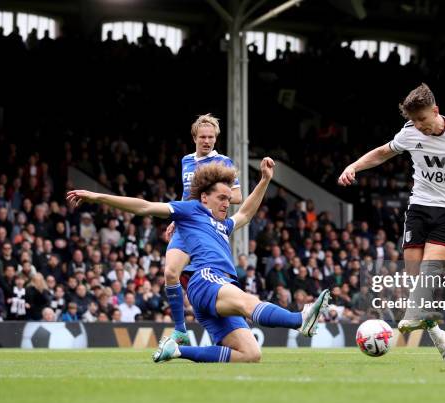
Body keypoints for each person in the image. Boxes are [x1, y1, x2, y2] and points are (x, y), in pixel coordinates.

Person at [67, 158, 330, 364]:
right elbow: (144, 206)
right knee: (247, 301)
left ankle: (177, 351)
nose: (227, 203)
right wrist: (97, 196)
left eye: (229, 199)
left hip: (213, 293)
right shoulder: (191, 210)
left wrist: (264, 180)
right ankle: (300, 319)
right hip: (206, 279)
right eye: (221, 198)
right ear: (205, 197)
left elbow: (247, 213)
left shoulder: (223, 225)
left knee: (250, 354)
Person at [338, 83, 445, 362]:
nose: (419, 125)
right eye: (413, 121)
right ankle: (443, 343)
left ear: (435, 110)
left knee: (427, 272)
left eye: (422, 119)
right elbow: (383, 152)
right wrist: (354, 166)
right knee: (416, 284)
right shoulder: (409, 133)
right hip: (419, 208)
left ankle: (412, 316)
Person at [164, 114, 243, 347]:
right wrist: (175, 218)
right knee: (170, 273)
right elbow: (186, 195)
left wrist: (208, 201)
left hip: (208, 230)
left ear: (216, 138)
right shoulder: (186, 161)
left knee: (214, 280)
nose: (207, 141)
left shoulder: (223, 163)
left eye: (211, 137)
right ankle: (180, 331)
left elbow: (237, 196)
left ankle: (228, 330)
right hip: (185, 225)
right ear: (194, 138)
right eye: (202, 137)